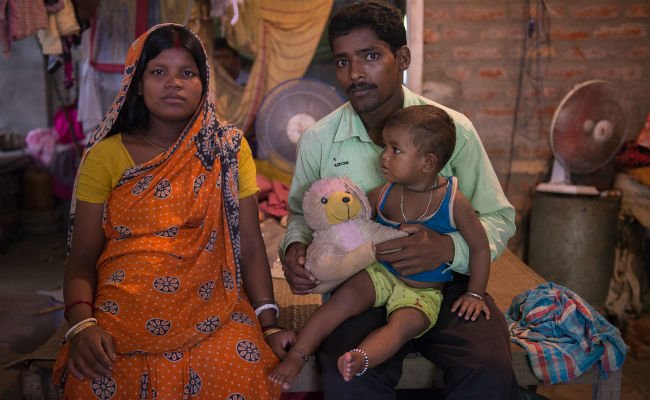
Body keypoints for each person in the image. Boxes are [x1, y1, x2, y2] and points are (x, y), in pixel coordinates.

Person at [279, 1, 520, 399]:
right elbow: (300, 215)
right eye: (342, 62)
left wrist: (447, 248)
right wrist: (295, 248)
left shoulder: (452, 131)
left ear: (402, 58)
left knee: (488, 368)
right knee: (347, 375)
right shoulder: (319, 139)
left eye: (371, 56)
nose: (356, 73)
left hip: (446, 283)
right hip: (363, 284)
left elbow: (497, 218)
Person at [52, 24, 291, 399]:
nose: (173, 83)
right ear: (137, 82)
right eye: (158, 72)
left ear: (204, 83)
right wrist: (82, 325)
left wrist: (269, 324)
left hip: (212, 302)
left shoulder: (227, 149)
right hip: (123, 304)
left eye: (187, 73)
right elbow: (81, 257)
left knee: (240, 365)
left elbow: (250, 244)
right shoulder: (106, 156)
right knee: (94, 375)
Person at [270, 104, 493, 388]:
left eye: (395, 150)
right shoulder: (386, 193)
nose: (383, 156)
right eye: (385, 146)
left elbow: (480, 248)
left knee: (402, 326)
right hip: (381, 273)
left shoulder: (453, 201)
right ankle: (297, 355)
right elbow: (352, 219)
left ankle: (361, 359)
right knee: (342, 300)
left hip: (422, 292)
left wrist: (475, 293)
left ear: (427, 163)